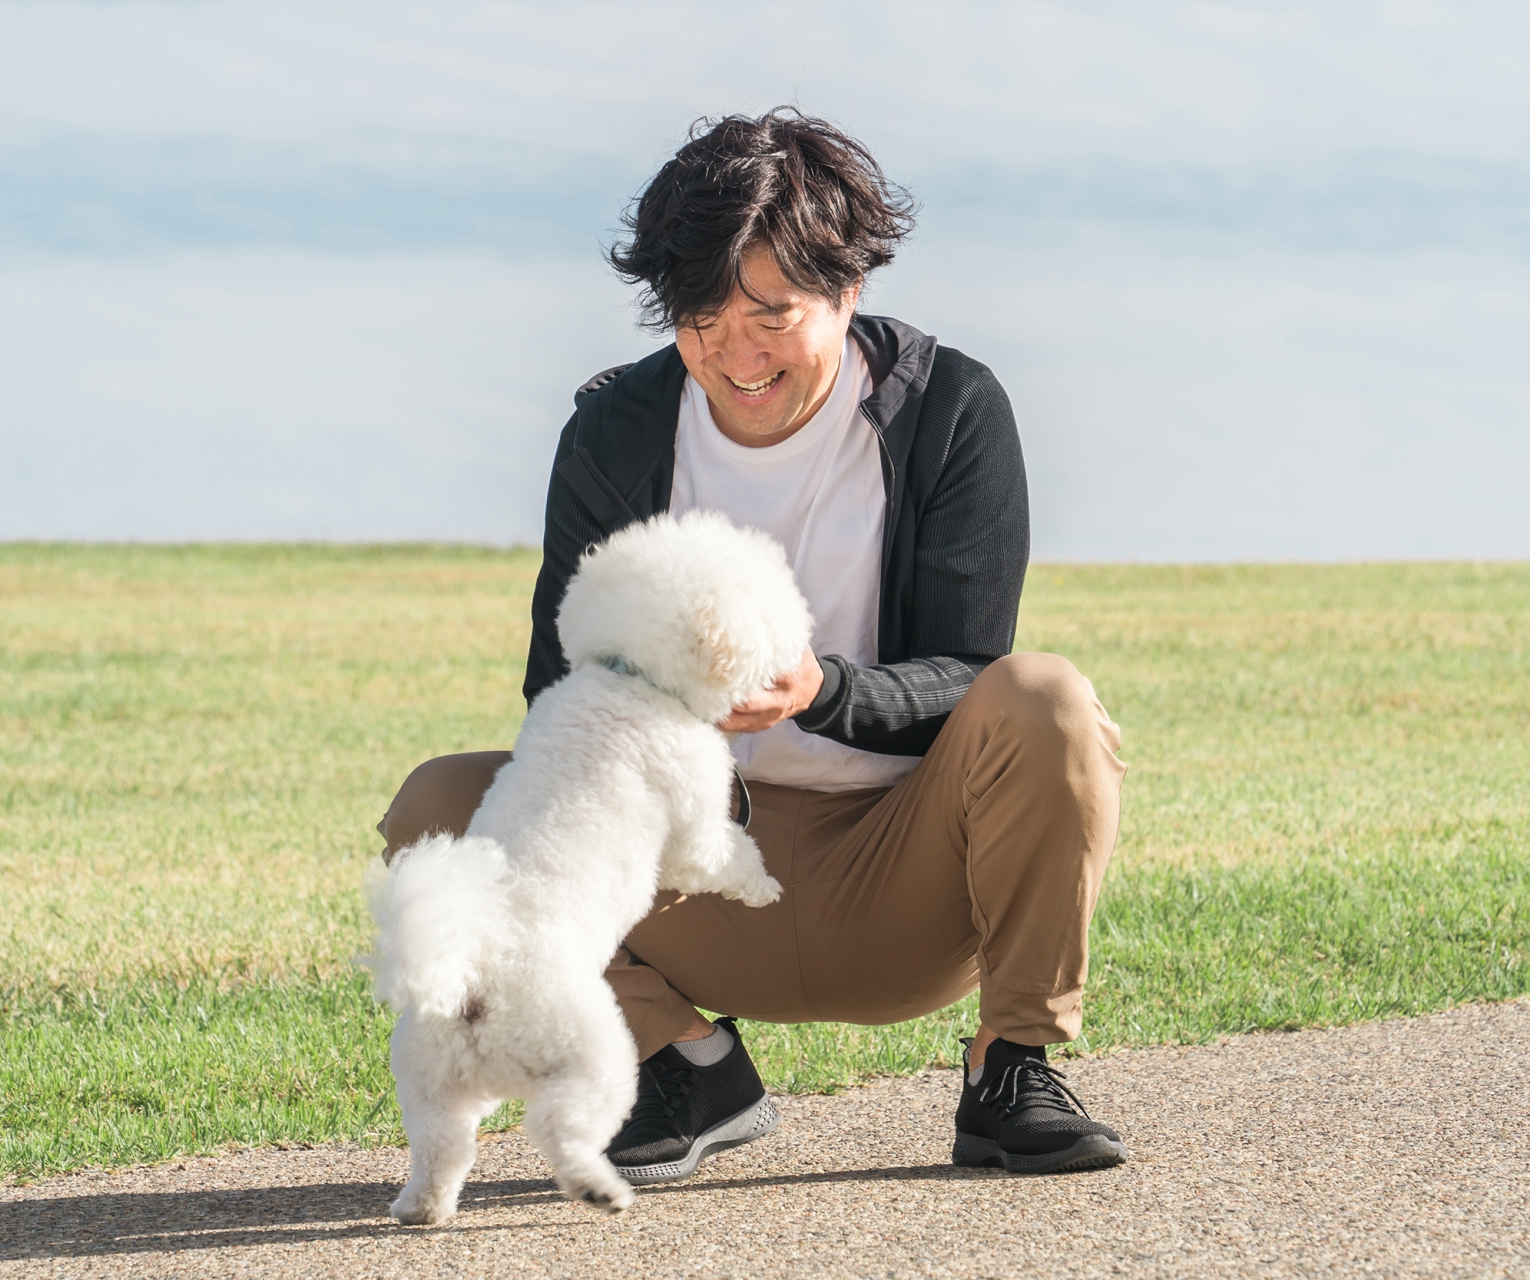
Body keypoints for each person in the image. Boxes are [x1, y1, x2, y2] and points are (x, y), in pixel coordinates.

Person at [379, 108, 1130, 1179]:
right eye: (701, 318)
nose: (736, 353)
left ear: (848, 287)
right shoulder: (616, 430)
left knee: (1045, 696)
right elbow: (557, 695)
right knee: (436, 813)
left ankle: (1014, 1062)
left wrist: (819, 691)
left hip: (901, 873)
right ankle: (678, 1061)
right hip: (692, 877)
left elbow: (970, 671)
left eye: (771, 314)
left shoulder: (950, 408)